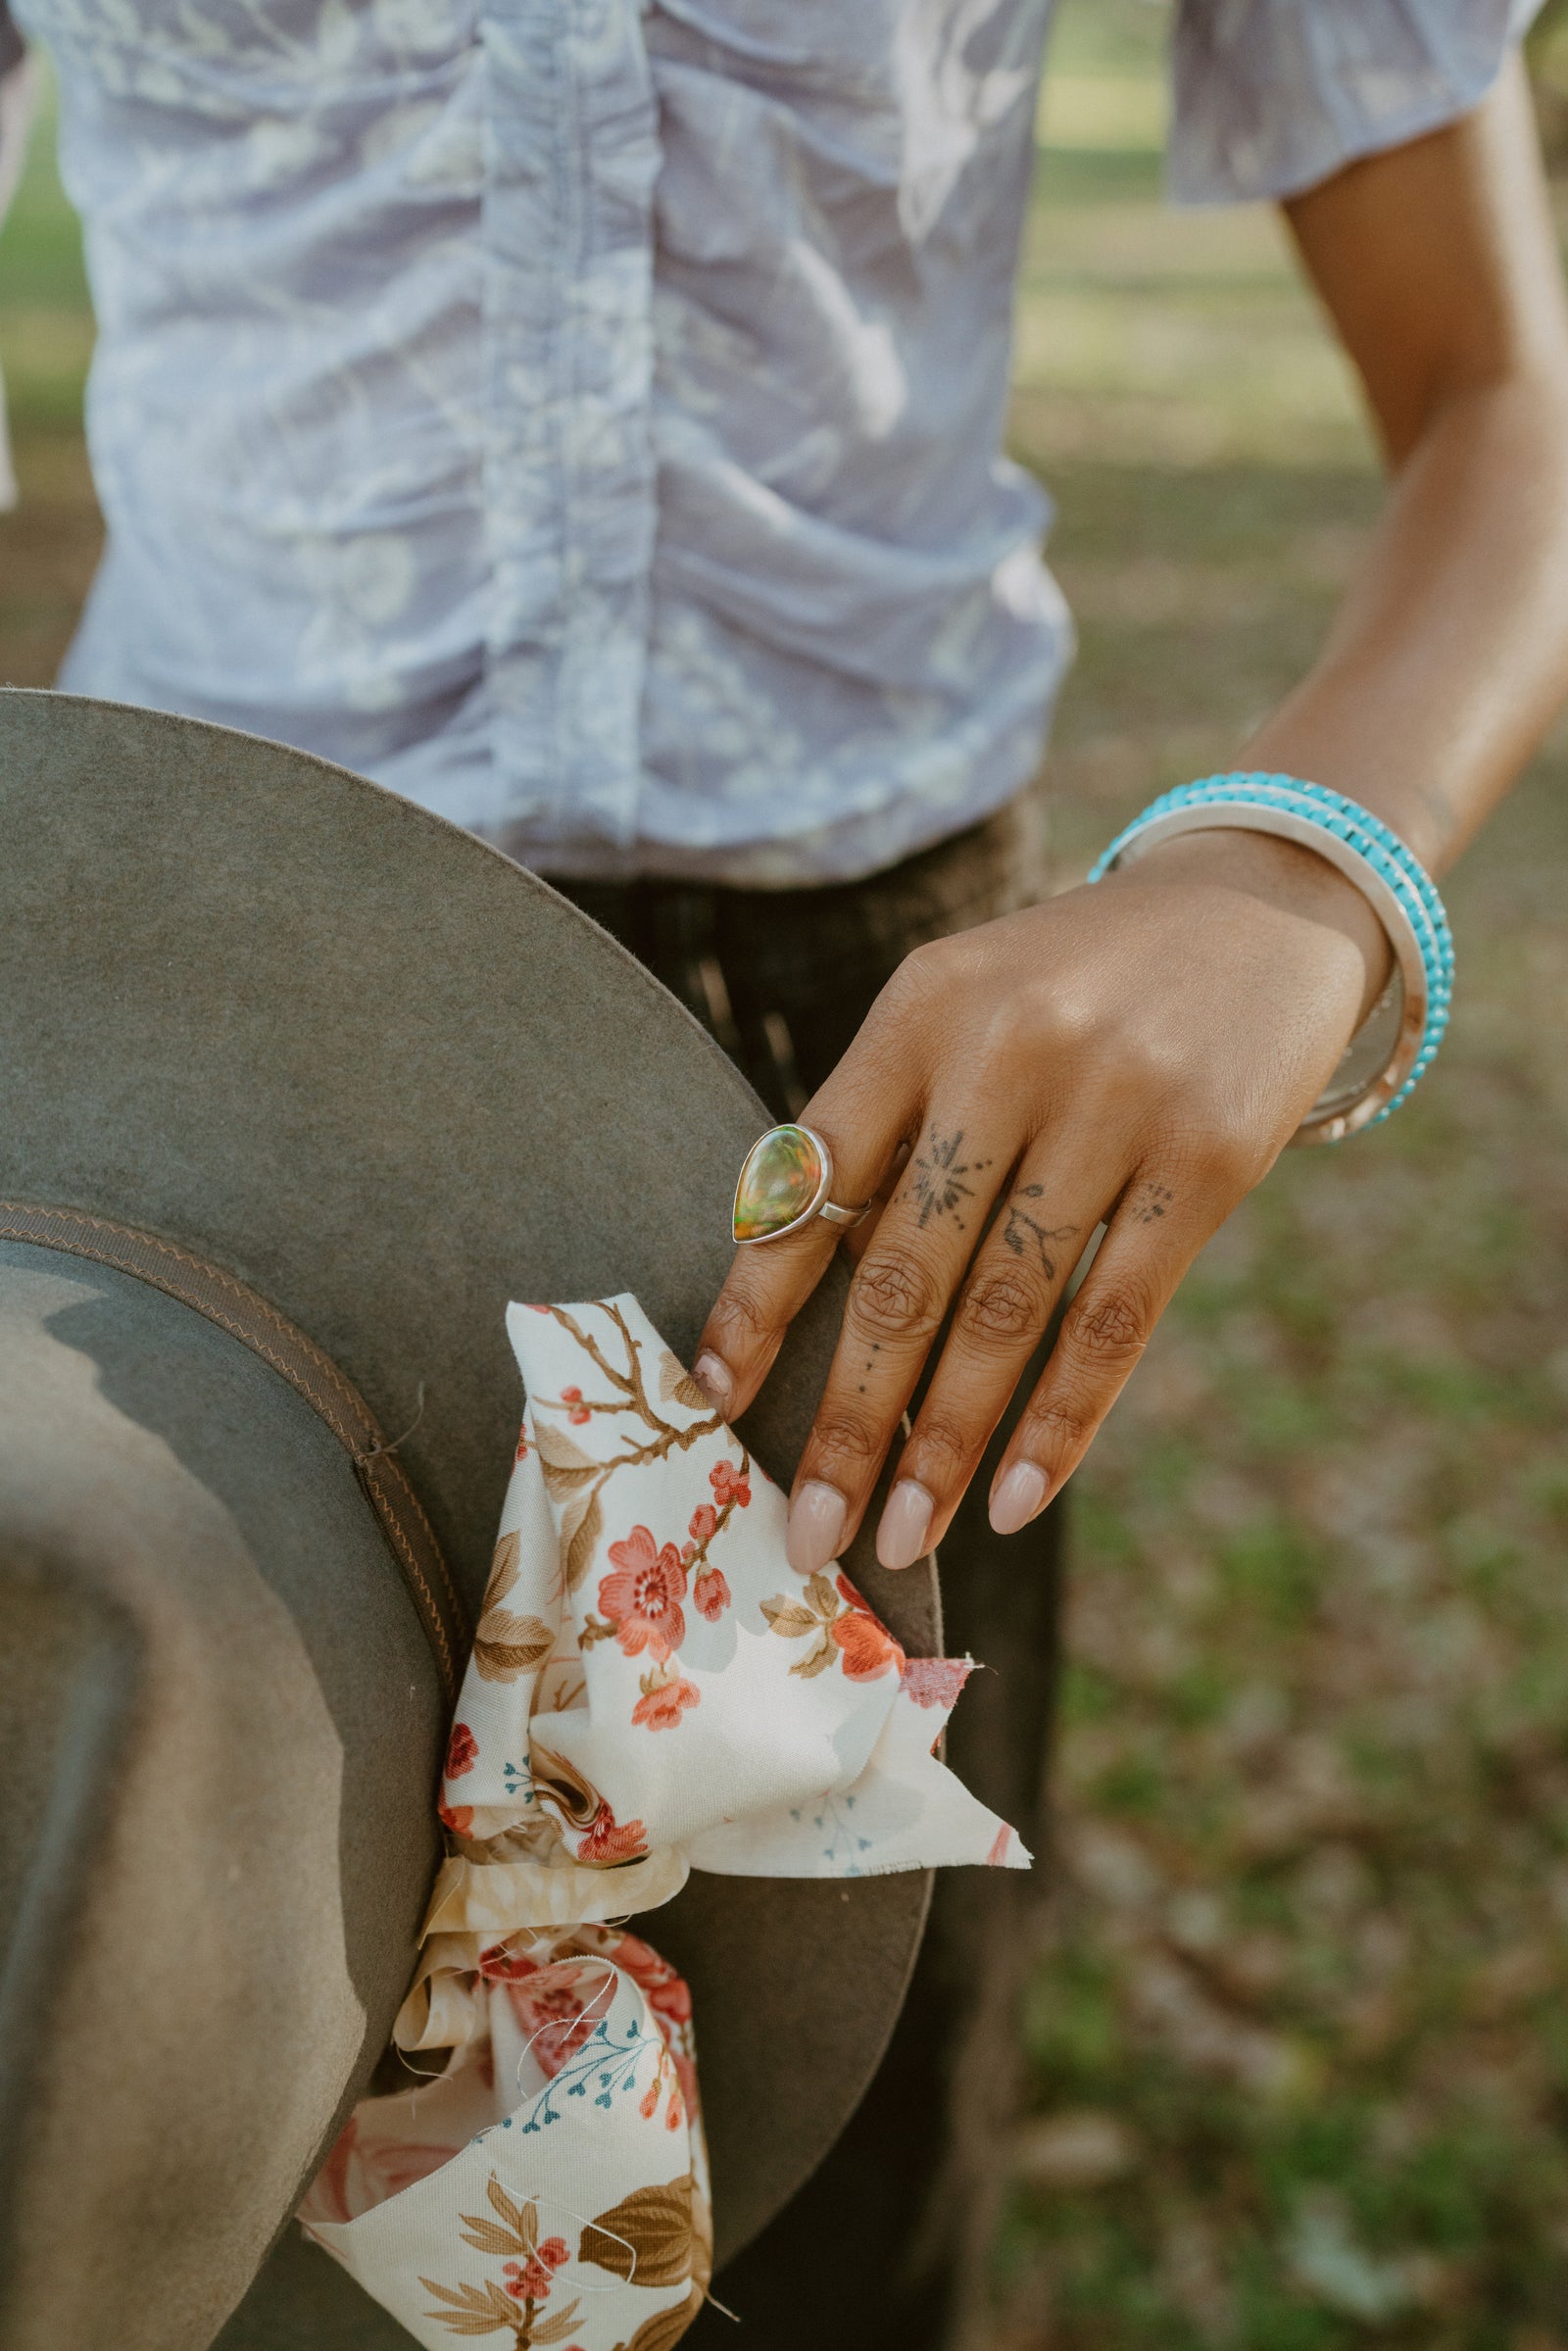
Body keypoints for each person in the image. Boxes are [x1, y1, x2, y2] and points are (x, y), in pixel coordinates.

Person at [4, 5, 1568, 2345]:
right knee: (152, 2139)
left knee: (819, 2198)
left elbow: (1498, 404)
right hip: (176, 1082)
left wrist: (1294, 880)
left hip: (889, 1131)